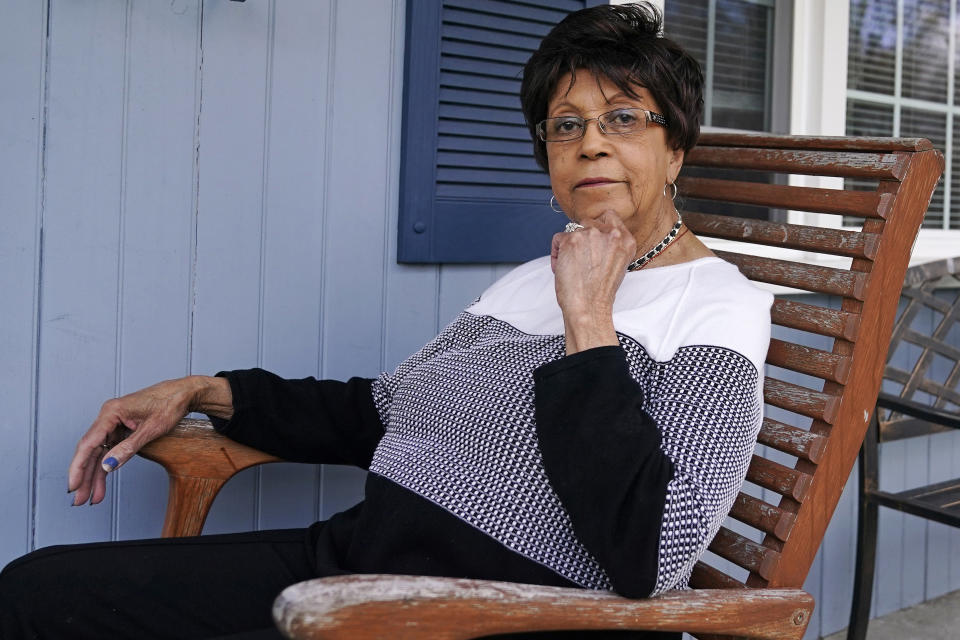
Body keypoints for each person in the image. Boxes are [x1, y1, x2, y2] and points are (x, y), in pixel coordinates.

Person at [0, 3, 772, 639]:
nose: (590, 142)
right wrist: (208, 391)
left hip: (464, 616)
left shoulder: (715, 309)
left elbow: (650, 552)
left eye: (623, 117)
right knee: (34, 592)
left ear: (676, 150)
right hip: (356, 562)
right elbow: (381, 410)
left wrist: (589, 323)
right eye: (564, 125)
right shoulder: (532, 280)